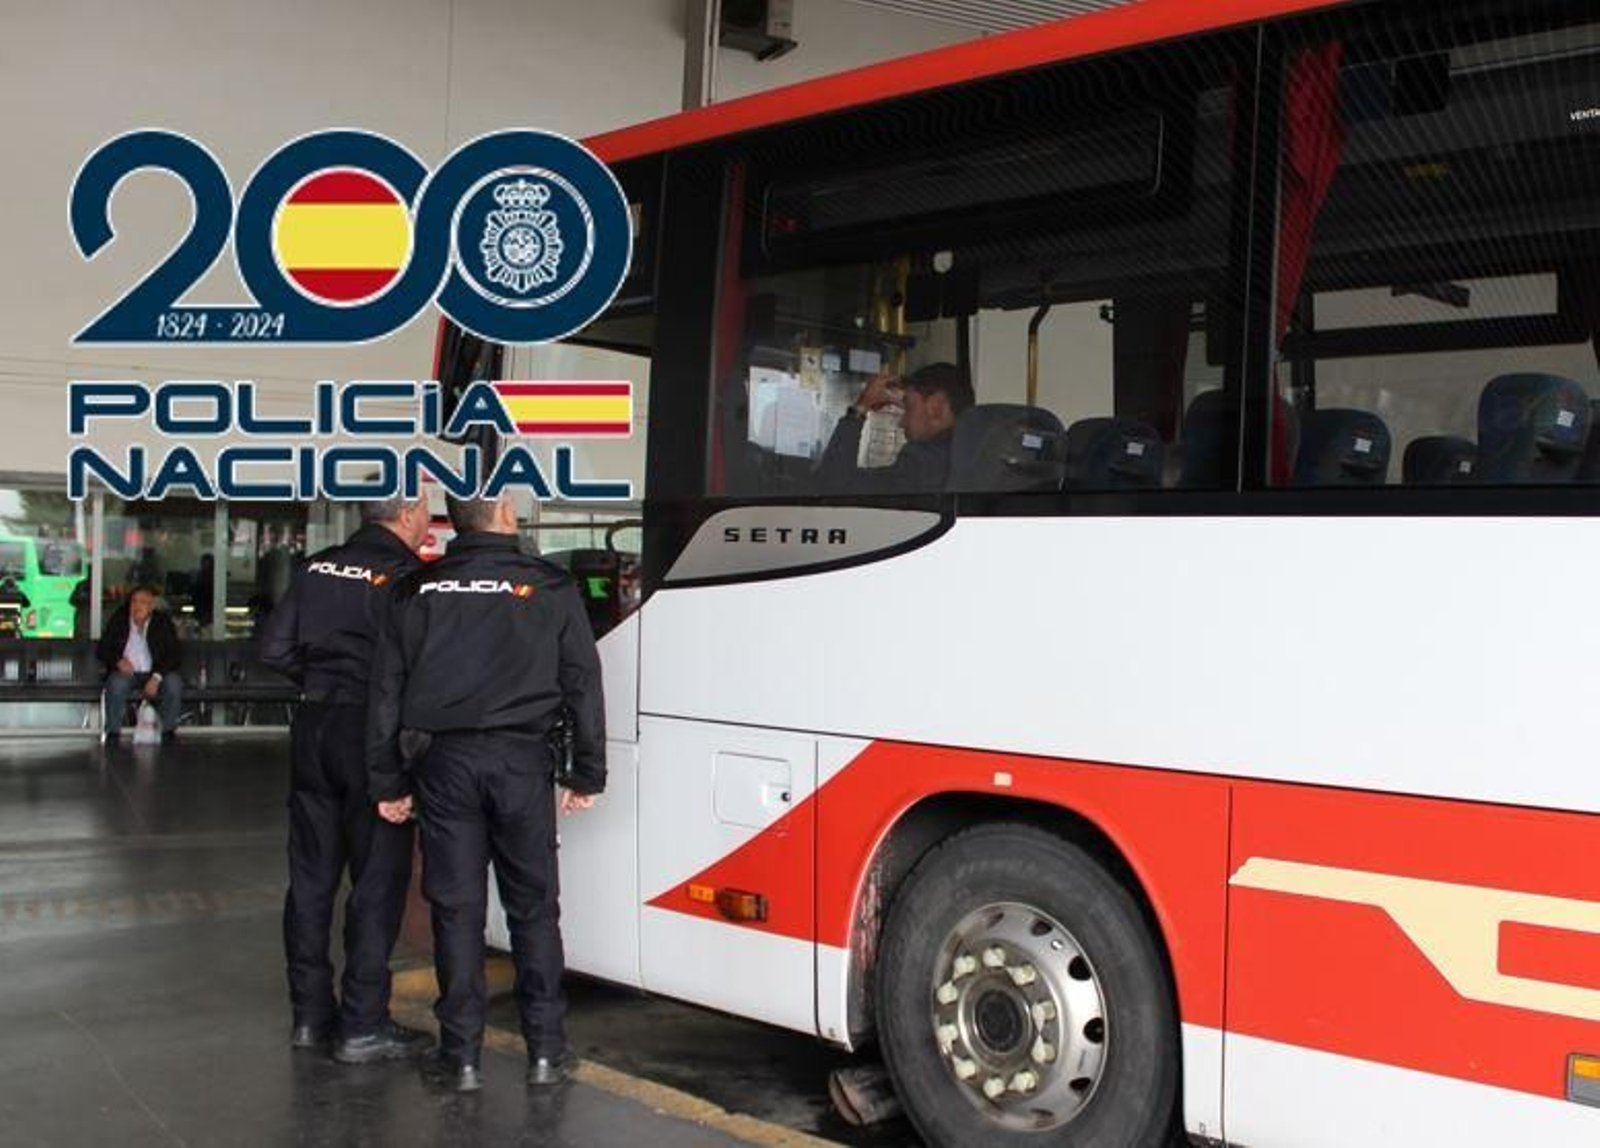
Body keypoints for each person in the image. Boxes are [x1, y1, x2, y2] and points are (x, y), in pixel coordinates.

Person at [367, 494, 606, 1094]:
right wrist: (588, 772)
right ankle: (548, 1053)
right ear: (502, 514)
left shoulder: (414, 589)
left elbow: (386, 693)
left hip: (442, 765)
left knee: (456, 909)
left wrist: (388, 781)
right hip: (521, 763)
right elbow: (582, 681)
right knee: (533, 908)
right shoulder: (549, 585)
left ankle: (462, 1057)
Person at [259, 497, 432, 1060]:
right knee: (376, 882)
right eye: (426, 511)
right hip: (372, 737)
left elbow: (273, 648)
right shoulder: (408, 579)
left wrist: (323, 680)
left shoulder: (318, 565)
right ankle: (362, 1023)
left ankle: (309, 1017)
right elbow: (421, 669)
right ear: (407, 515)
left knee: (309, 880)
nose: (427, 522)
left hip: (313, 728)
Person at [815, 361, 976, 493]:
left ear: (936, 407)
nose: (901, 422)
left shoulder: (921, 463)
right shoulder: (972, 454)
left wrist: (860, 408)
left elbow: (833, 486)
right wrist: (911, 404)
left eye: (909, 407)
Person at [97, 585, 183, 743]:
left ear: (151, 606)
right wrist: (118, 661)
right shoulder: (120, 619)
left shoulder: (162, 622)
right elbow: (102, 648)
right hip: (128, 673)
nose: (137, 606)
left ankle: (167, 731)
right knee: (116, 683)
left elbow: (174, 654)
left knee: (174, 683)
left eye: (143, 602)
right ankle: (113, 733)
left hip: (155, 672)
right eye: (134, 602)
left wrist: (157, 677)